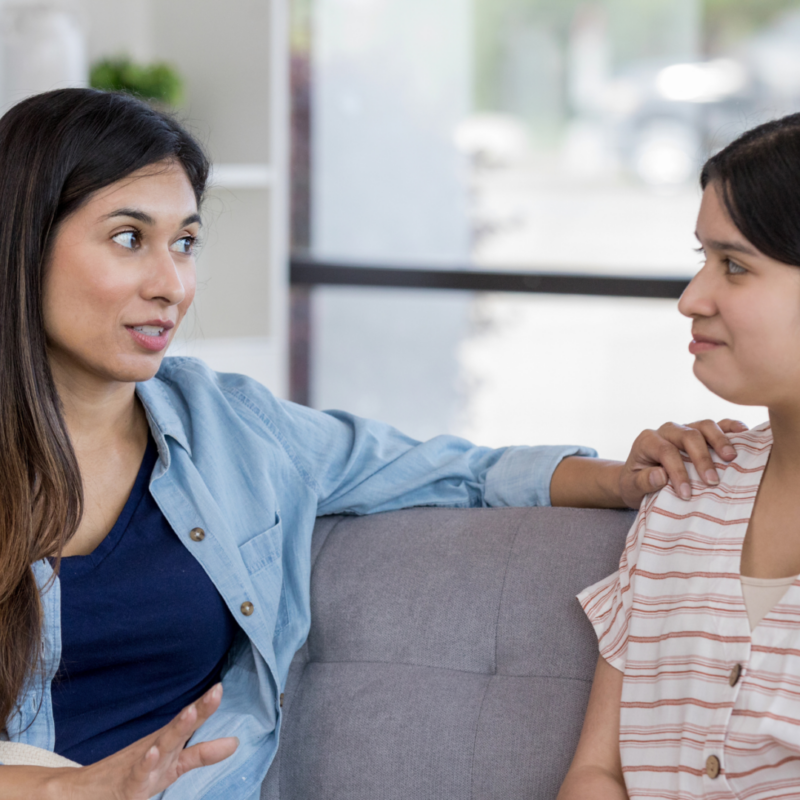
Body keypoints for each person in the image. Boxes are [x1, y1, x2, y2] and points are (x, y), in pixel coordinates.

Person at [0, 87, 739, 800]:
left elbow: (455, 473)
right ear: (25, 242)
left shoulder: (229, 427)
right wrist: (67, 789)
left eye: (185, 242)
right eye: (129, 238)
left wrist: (620, 479)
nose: (172, 284)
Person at [558, 113, 800, 800]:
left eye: (733, 265)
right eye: (702, 259)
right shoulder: (687, 494)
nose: (692, 299)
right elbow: (596, 773)